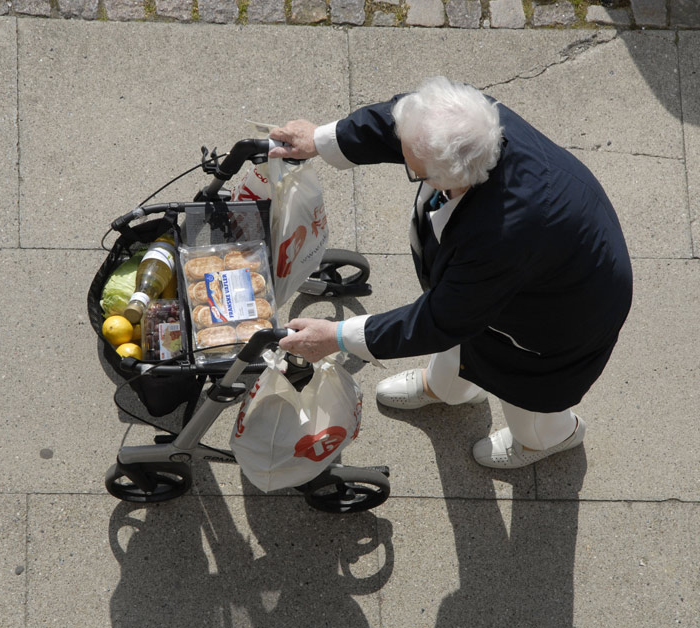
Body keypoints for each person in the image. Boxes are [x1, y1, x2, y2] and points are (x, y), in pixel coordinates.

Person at [268, 76, 633, 469]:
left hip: (558, 321)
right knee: (465, 340)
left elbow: (443, 317)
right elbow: (405, 123)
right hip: (511, 286)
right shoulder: (472, 122)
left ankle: (549, 438)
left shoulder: (501, 236)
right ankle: (448, 388)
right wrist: (322, 140)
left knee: (528, 404)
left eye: (416, 170)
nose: (404, 162)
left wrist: (337, 337)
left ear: (451, 178)